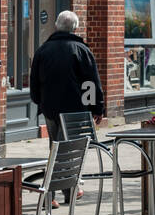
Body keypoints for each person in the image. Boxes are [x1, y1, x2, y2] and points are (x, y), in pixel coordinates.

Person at [30, 10, 106, 140]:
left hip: (50, 107)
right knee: (69, 147)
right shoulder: (82, 50)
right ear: (75, 28)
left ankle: (56, 160)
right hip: (75, 109)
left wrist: (39, 101)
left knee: (55, 147)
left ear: (56, 26)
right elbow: (90, 82)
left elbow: (34, 81)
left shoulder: (42, 50)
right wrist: (96, 108)